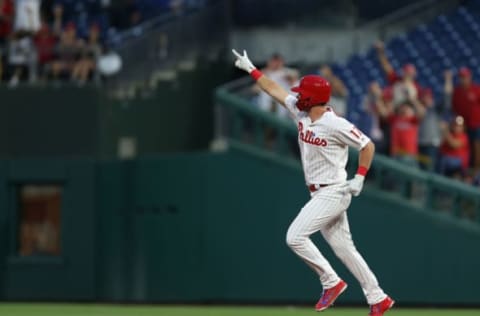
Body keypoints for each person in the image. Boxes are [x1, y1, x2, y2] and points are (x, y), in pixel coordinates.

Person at [232, 49, 394, 316]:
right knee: (345, 250)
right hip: (319, 193)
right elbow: (273, 89)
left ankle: (331, 281)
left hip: (333, 191)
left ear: (311, 97)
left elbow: (368, 145)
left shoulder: (335, 124)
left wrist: (360, 177)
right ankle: (378, 297)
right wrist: (252, 69)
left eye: (301, 92)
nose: (296, 95)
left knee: (294, 237)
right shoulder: (300, 111)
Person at [450, 67, 480, 171]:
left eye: (465, 77)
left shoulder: (476, 89)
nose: (463, 79)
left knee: (476, 145)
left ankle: (476, 169)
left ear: (469, 77)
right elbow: (454, 108)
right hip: (462, 125)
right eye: (461, 77)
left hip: (475, 124)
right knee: (463, 146)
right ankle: (464, 168)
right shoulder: (457, 91)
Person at [375, 41, 421, 107]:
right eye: (406, 72)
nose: (407, 75)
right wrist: (380, 52)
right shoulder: (397, 81)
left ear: (414, 74)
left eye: (410, 73)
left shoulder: (416, 87)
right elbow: (386, 66)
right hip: (396, 112)